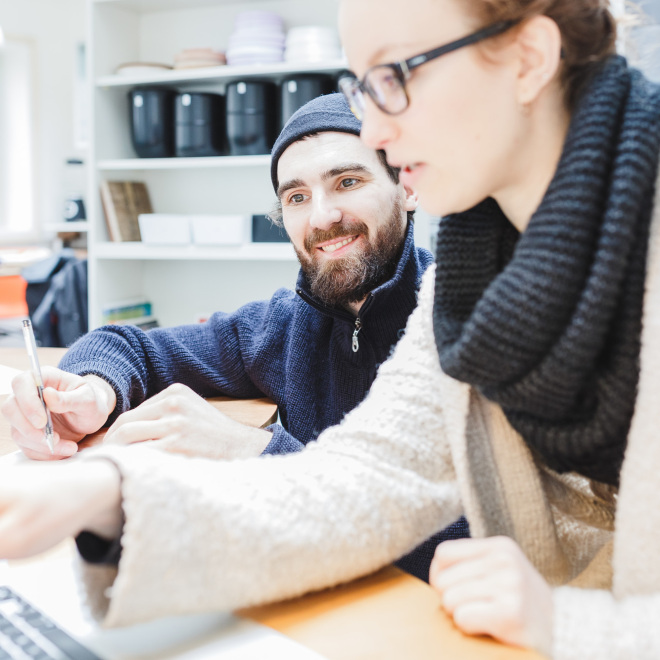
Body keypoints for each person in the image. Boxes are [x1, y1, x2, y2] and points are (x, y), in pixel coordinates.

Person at [2, 1, 659, 658]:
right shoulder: (470, 278)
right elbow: (374, 477)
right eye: (362, 85)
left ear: (528, 59)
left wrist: (566, 625)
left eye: (394, 75)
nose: (372, 123)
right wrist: (108, 492)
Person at [2, 93, 468, 582]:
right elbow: (129, 346)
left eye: (347, 182)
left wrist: (252, 452)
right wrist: (95, 391)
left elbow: (476, 544)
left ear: (407, 187)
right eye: (297, 197)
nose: (322, 217)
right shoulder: (283, 325)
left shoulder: (468, 325)